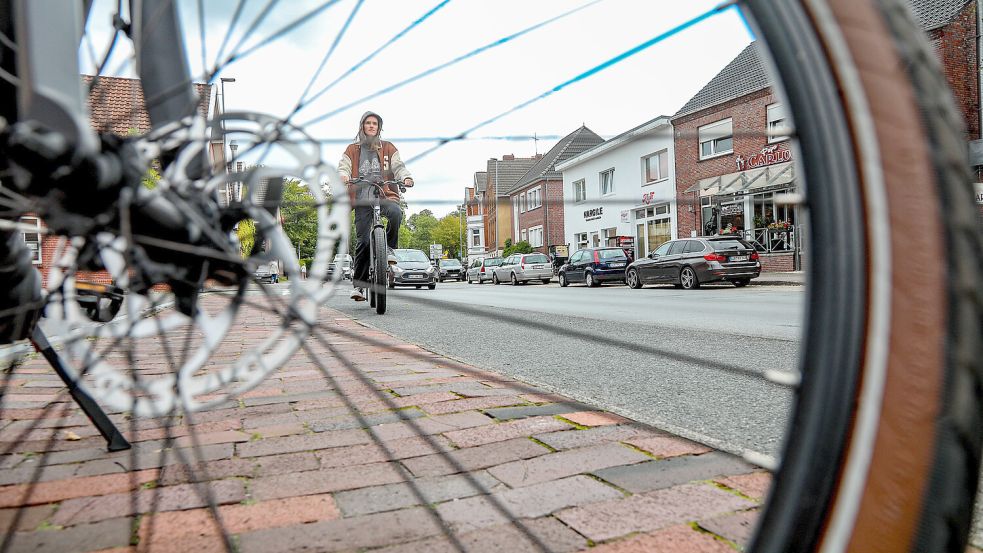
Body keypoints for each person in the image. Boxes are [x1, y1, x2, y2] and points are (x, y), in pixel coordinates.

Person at [338, 111, 414, 301]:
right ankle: (359, 286)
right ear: (362, 126)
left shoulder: (388, 147)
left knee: (396, 212)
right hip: (362, 199)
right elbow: (343, 166)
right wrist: (343, 176)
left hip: (384, 193)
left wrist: (405, 176)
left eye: (375, 123)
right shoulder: (352, 149)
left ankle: (388, 248)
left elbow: (398, 165)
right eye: (368, 123)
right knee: (363, 241)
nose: (371, 126)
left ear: (379, 128)